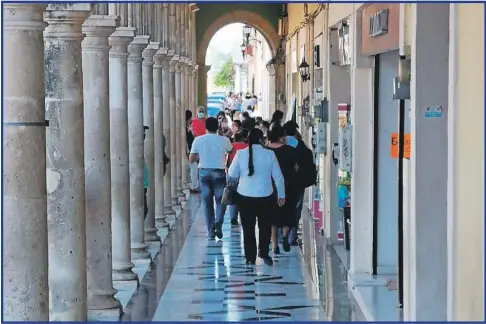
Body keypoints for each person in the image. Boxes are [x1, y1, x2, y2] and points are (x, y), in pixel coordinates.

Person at [228, 128, 285, 266]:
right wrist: (281, 195)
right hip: (266, 196)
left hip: (245, 196)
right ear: (261, 140)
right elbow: (278, 177)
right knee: (264, 227)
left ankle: (250, 257)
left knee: (248, 228)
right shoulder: (269, 154)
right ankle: (264, 252)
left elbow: (232, 174)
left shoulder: (241, 154)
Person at [189, 117, 233, 240]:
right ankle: (218, 224)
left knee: (207, 203)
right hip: (219, 172)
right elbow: (231, 150)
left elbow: (191, 159)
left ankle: (211, 232)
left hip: (203, 173)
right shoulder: (224, 140)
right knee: (221, 201)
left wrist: (201, 156)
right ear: (218, 127)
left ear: (205, 127)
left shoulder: (198, 140)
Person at [265, 123, 298, 253]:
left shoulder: (266, 151)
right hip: (288, 185)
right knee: (288, 214)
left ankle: (274, 245)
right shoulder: (290, 150)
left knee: (272, 217)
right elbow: (296, 168)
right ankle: (284, 236)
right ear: (280, 137)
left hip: (270, 186)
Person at [283, 120, 317, 245]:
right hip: (298, 182)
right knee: (296, 208)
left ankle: (281, 233)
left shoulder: (280, 144)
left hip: (282, 182)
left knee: (282, 207)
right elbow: (309, 161)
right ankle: (292, 237)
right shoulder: (300, 146)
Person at [226, 130, 248, 226]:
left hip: (233, 173)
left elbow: (226, 160)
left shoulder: (232, 146)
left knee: (233, 196)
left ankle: (233, 218)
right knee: (244, 196)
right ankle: (244, 215)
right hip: (245, 174)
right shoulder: (247, 146)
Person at [186, 110, 199, 192]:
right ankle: (193, 186)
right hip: (188, 151)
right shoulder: (186, 128)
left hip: (189, 151)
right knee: (194, 167)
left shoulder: (187, 127)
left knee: (193, 167)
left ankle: (193, 185)